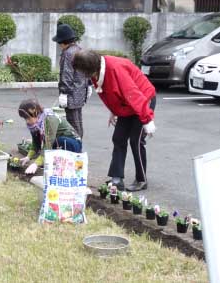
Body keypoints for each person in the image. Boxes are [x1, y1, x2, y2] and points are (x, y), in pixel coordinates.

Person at [72, 50, 156, 191]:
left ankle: (142, 179)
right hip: (126, 105)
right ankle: (117, 179)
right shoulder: (96, 71)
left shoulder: (115, 69)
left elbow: (133, 94)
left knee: (136, 140)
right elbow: (107, 93)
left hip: (143, 100)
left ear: (91, 68)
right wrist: (114, 111)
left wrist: (147, 120)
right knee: (118, 138)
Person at [17, 98, 82, 175]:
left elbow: (48, 144)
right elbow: (36, 142)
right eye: (25, 119)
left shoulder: (49, 118)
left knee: (59, 141)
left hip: (71, 143)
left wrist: (36, 164)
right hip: (57, 144)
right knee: (54, 144)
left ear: (34, 110)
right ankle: (56, 167)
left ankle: (66, 169)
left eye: (27, 117)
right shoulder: (34, 125)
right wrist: (28, 157)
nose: (27, 121)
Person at [53, 22, 88, 138]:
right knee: (79, 123)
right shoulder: (80, 50)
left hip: (71, 95)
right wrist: (88, 86)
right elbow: (87, 71)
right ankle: (79, 146)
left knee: (72, 125)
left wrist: (64, 93)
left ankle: (76, 150)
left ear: (63, 42)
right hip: (81, 93)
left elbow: (66, 75)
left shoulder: (67, 54)